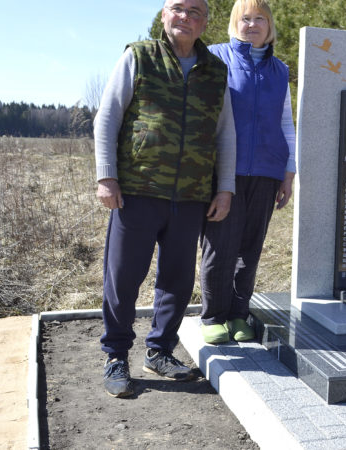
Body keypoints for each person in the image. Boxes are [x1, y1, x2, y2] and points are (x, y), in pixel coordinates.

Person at [94, 0, 237, 398]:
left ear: (206, 22)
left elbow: (226, 134)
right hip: (137, 191)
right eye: (178, 8)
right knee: (123, 278)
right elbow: (108, 116)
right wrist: (107, 176)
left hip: (191, 195)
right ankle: (116, 354)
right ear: (163, 14)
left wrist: (224, 188)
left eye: (196, 11)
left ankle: (159, 351)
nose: (186, 17)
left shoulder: (215, 71)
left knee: (177, 279)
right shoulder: (139, 56)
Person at [198, 0, 296, 344]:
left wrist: (289, 172)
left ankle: (239, 315)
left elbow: (286, 122)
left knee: (250, 250)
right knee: (219, 246)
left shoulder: (280, 71)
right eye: (245, 18)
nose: (252, 24)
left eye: (260, 19)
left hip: (268, 171)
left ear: (269, 27)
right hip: (225, 171)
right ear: (234, 23)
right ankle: (212, 316)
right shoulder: (215, 57)